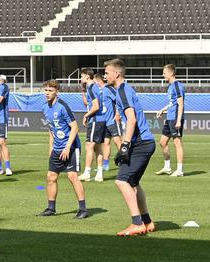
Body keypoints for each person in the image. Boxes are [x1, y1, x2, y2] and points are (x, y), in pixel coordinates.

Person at [105, 58, 157, 237]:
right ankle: (147, 221)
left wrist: (125, 146)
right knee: (133, 183)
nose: (105, 76)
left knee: (121, 181)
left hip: (141, 143)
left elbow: (132, 119)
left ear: (116, 74)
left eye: (107, 72)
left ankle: (136, 223)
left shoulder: (122, 91)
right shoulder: (125, 90)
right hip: (144, 142)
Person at [38, 80, 89, 219]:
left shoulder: (63, 106)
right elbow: (51, 129)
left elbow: (75, 127)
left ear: (57, 92)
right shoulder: (44, 108)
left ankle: (83, 209)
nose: (47, 93)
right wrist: (51, 147)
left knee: (72, 176)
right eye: (46, 90)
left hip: (71, 147)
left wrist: (67, 148)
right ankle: (51, 208)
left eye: (50, 91)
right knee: (51, 177)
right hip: (57, 148)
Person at [155, 64, 186, 177]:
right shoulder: (170, 86)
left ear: (171, 73)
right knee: (162, 142)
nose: (163, 75)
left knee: (177, 142)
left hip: (175, 119)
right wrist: (162, 110)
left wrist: (178, 121)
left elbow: (180, 104)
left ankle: (179, 170)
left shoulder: (177, 86)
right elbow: (172, 103)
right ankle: (167, 167)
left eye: (164, 73)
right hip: (170, 118)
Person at [78, 68, 98, 183]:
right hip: (98, 120)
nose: (81, 78)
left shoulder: (91, 88)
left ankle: (87, 172)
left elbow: (96, 106)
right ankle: (99, 173)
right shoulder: (92, 87)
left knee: (89, 146)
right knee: (97, 147)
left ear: (87, 76)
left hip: (95, 120)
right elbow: (88, 103)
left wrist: (86, 115)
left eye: (82, 76)